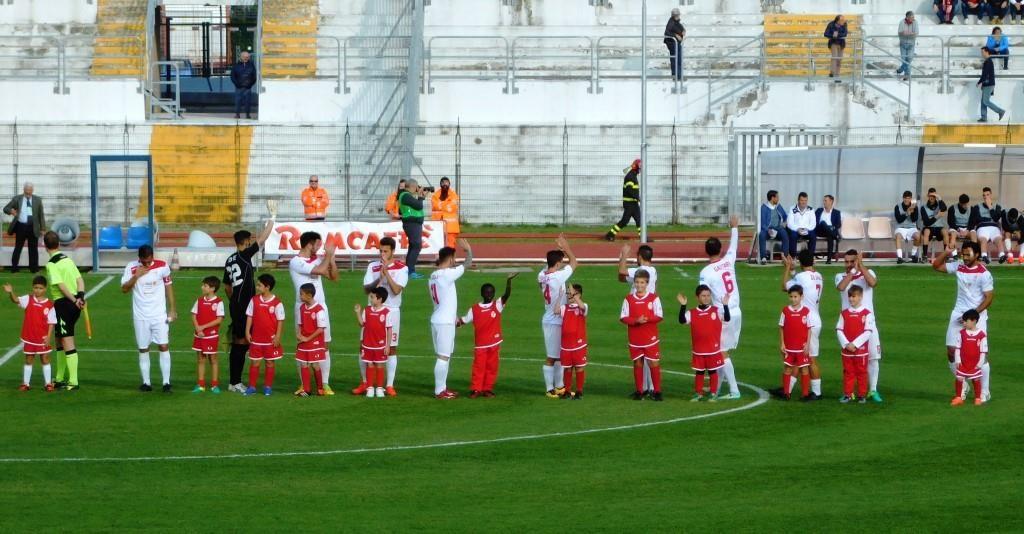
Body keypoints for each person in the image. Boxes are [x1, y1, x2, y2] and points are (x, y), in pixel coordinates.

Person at [932, 241, 994, 403]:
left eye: (968, 254)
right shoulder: (959, 266)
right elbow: (936, 266)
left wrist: (973, 315)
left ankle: (984, 391)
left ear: (977, 255)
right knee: (951, 351)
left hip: (976, 316)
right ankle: (964, 385)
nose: (965, 257)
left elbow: (989, 298)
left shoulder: (984, 273)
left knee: (980, 354)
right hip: (958, 313)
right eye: (963, 254)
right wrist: (946, 252)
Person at [222, 221, 274, 394]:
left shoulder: (229, 260)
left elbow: (227, 287)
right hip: (244, 307)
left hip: (236, 305)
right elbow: (263, 239)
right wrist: (272, 219)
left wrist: (234, 300)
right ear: (245, 243)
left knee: (241, 343)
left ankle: (234, 381)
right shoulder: (244, 255)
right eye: (250, 242)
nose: (252, 244)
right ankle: (235, 382)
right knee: (241, 344)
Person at [355, 236, 408, 396]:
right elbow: (366, 289)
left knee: (391, 349)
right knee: (363, 347)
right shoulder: (372, 266)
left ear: (393, 251)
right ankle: (365, 382)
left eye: (386, 251)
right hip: (372, 311)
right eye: (381, 251)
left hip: (391, 310)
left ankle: (389, 385)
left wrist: (387, 273)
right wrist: (380, 276)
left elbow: (397, 290)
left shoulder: (401, 268)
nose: (382, 254)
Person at [121, 245, 176, 393]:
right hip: (141, 316)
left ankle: (166, 383)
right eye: (143, 261)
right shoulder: (131, 267)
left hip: (159, 314)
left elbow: (169, 286)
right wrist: (136, 276)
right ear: (139, 258)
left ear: (152, 256)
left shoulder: (162, 266)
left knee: (163, 346)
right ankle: (146, 382)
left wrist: (172, 309)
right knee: (143, 348)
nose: (146, 264)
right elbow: (124, 289)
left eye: (148, 261)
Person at [289, 231, 338, 394]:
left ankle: (324, 383)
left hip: (320, 306)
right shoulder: (296, 262)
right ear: (309, 244)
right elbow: (319, 271)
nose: (320, 247)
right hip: (302, 308)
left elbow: (334, 277)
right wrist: (328, 255)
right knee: (303, 343)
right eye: (317, 244)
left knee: (325, 344)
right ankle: (304, 384)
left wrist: (331, 258)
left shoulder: (318, 259)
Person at [699, 215, 742, 399]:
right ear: (720, 249)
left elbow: (704, 295)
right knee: (722, 349)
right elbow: (734, 246)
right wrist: (734, 228)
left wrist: (701, 314)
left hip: (722, 313)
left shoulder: (706, 272)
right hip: (737, 311)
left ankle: (734, 390)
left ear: (706, 251)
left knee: (720, 351)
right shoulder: (728, 260)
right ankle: (718, 386)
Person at [835, 249, 883, 402]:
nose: (848, 265)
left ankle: (873, 390)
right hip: (848, 326)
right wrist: (854, 270)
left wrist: (861, 267)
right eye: (846, 262)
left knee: (873, 358)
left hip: (868, 324)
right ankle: (851, 392)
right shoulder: (840, 276)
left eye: (851, 261)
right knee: (850, 362)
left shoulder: (868, 273)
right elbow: (841, 287)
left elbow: (873, 283)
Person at [458, 273, 515, 398]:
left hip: (494, 344)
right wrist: (451, 323)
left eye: (491, 292)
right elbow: (463, 321)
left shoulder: (497, 305)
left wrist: (509, 281)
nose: (489, 294)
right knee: (479, 367)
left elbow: (507, 295)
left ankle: (487, 389)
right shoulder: (474, 309)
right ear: (482, 293)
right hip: (480, 345)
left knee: (491, 367)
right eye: (487, 292)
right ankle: (475, 389)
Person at [428, 239, 472, 399]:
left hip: (439, 319)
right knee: (443, 357)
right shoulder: (447, 274)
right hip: (444, 322)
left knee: (444, 356)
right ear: (451, 258)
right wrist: (468, 250)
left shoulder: (433, 276)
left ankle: (443, 388)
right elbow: (468, 264)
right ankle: (439, 391)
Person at [779, 249, 824, 400]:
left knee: (810, 359)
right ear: (813, 261)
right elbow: (802, 283)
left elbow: (785, 287)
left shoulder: (801, 277)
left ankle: (817, 392)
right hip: (815, 318)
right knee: (800, 357)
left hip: (807, 322)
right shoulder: (818, 276)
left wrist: (787, 268)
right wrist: (793, 270)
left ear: (800, 262)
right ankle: (787, 389)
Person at [43, 231, 85, 391]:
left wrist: (74, 300)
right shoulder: (67, 260)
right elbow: (79, 279)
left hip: (64, 304)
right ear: (59, 244)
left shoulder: (52, 264)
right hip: (73, 303)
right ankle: (60, 378)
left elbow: (60, 285)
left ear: (44, 246)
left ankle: (73, 381)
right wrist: (80, 296)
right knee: (59, 339)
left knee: (67, 340)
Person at [538, 235, 577, 398]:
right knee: (552, 357)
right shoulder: (557, 277)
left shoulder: (541, 275)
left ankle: (560, 386)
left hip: (553, 318)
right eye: (561, 263)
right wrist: (567, 248)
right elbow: (574, 263)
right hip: (553, 321)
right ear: (559, 263)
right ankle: (549, 388)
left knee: (560, 355)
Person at [677, 285, 729, 402]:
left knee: (712, 371)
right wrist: (683, 305)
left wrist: (725, 305)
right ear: (697, 297)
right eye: (703, 296)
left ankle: (713, 393)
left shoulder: (716, 310)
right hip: (698, 349)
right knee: (699, 372)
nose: (706, 298)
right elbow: (681, 320)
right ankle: (698, 393)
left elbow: (727, 318)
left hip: (713, 349)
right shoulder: (692, 312)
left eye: (708, 296)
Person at [4, 276, 56, 391]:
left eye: (40, 288)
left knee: (45, 359)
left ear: (45, 289)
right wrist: (11, 292)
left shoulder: (50, 305)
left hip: (42, 337)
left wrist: (48, 336)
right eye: (36, 288)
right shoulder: (28, 299)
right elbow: (16, 300)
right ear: (33, 288)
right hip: (29, 337)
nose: (38, 290)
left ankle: (48, 383)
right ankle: (25, 384)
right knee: (29, 359)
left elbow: (52, 322)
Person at [617, 243, 656, 393]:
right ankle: (647, 387)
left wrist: (624, 255)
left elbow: (621, 271)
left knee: (643, 353)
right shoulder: (651, 271)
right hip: (647, 311)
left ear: (639, 256)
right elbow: (621, 278)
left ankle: (649, 387)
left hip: (639, 311)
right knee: (646, 353)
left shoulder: (641, 270)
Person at [620, 270, 664, 401]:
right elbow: (623, 317)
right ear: (634, 283)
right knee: (638, 363)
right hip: (635, 338)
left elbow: (660, 316)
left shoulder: (653, 298)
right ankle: (639, 391)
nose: (639, 285)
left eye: (642, 282)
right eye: (637, 282)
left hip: (650, 338)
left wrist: (647, 319)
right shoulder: (628, 299)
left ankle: (657, 391)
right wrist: (635, 321)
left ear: (647, 283)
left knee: (653, 363)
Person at [245, 273, 285, 396]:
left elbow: (280, 320)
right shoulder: (254, 300)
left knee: (269, 362)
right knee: (255, 362)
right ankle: (252, 387)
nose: (257, 287)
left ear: (267, 287)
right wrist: (247, 331)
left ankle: (268, 387)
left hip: (270, 339)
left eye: (259, 285)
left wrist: (278, 336)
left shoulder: (277, 302)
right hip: (256, 338)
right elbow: (250, 316)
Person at [777, 285, 817, 401]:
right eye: (791, 296)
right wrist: (782, 344)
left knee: (804, 369)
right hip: (789, 347)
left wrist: (808, 344)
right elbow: (781, 328)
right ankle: (786, 393)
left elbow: (809, 328)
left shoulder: (806, 311)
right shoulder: (785, 311)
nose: (793, 299)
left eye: (795, 297)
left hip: (801, 347)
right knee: (787, 369)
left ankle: (805, 394)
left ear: (801, 297)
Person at [836, 285, 875, 404]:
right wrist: (846, 344)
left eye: (854, 296)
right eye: (850, 296)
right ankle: (848, 394)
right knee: (848, 372)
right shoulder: (844, 313)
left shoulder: (867, 313)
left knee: (862, 372)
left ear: (860, 297)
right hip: (847, 350)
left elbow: (868, 331)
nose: (851, 299)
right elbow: (839, 329)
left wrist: (855, 344)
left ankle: (862, 395)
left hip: (861, 350)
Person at [354, 287, 393, 399]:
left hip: (380, 345)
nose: (370, 299)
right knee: (369, 365)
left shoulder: (386, 312)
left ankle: (379, 388)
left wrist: (388, 345)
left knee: (380, 365)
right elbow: (362, 324)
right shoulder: (367, 310)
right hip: (367, 344)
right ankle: (370, 388)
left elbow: (389, 329)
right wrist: (358, 313)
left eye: (372, 297)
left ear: (379, 299)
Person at [191, 276, 224, 394]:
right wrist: (197, 329)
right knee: (200, 359)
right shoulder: (199, 300)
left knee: (213, 359)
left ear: (212, 288)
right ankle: (200, 384)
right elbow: (194, 315)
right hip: (199, 335)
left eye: (205, 286)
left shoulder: (218, 302)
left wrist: (203, 327)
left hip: (211, 336)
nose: (202, 287)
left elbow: (219, 319)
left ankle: (214, 385)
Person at [3, 183, 45, 273]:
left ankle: (34, 268)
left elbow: (41, 215)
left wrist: (43, 228)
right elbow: (5, 208)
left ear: (32, 190)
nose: (28, 193)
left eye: (30, 191)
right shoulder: (17, 198)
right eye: (27, 191)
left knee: (33, 249)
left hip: (33, 227)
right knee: (18, 247)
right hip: (21, 226)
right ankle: (14, 268)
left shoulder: (38, 200)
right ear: (24, 190)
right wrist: (11, 211)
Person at [296, 284, 328, 397]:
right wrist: (299, 334)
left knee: (315, 365)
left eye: (301, 294)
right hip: (304, 341)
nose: (300, 296)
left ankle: (320, 388)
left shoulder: (319, 310)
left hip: (315, 342)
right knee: (303, 364)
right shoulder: (302, 307)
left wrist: (307, 338)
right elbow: (300, 324)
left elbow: (321, 329)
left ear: (309, 295)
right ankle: (307, 390)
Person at [951, 309, 986, 406]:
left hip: (975, 363)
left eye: (966, 321)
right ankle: (958, 397)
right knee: (959, 378)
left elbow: (983, 351)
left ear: (974, 321)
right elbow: (958, 348)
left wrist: (980, 363)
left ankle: (978, 398)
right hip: (963, 362)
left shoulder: (981, 335)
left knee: (976, 379)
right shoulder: (961, 333)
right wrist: (958, 360)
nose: (964, 323)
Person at [558, 283, 587, 400]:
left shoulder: (583, 306)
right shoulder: (564, 307)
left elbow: (582, 306)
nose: (569, 296)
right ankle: (568, 390)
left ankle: (579, 390)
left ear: (578, 295)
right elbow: (556, 310)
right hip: (566, 345)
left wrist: (575, 296)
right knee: (567, 368)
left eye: (572, 294)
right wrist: (560, 296)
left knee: (579, 367)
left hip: (579, 344)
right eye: (568, 294)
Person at [398, 179, 429, 278]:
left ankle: (409, 270)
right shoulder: (405, 195)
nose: (418, 189)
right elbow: (419, 206)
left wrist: (422, 197)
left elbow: (416, 205)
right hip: (412, 224)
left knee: (413, 246)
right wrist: (420, 197)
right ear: (413, 186)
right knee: (416, 246)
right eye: (417, 187)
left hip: (414, 224)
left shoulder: (407, 196)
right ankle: (410, 271)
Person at [605, 159, 642, 241]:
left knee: (639, 220)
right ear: (636, 167)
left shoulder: (633, 175)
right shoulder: (630, 176)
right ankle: (610, 234)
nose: (640, 169)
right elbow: (629, 189)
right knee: (624, 221)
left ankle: (643, 237)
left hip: (633, 203)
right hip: (629, 204)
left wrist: (637, 198)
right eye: (639, 167)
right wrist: (637, 197)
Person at [970, 186, 1006, 264]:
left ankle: (1002, 255)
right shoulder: (977, 207)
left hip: (994, 227)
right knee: (983, 240)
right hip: (982, 227)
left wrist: (990, 207)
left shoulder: (997, 206)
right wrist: (989, 219)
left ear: (991, 195)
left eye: (987, 194)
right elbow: (977, 219)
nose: (986, 197)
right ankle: (984, 256)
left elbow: (996, 218)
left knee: (998, 239)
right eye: (984, 195)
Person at [758, 189, 789, 264]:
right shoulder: (764, 208)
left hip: (778, 228)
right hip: (768, 230)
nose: (778, 199)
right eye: (777, 197)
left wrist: (785, 223)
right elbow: (763, 223)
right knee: (762, 235)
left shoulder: (778, 206)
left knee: (784, 234)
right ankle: (763, 258)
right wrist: (768, 230)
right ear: (772, 198)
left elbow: (785, 216)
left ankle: (784, 257)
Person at [431, 177, 460, 249]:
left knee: (450, 246)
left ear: (449, 184)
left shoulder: (454, 195)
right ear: (440, 184)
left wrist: (441, 204)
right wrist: (446, 204)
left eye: (446, 182)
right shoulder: (435, 195)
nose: (445, 184)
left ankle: (450, 260)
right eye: (443, 182)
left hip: (451, 226)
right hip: (438, 226)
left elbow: (452, 207)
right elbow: (435, 206)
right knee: (439, 246)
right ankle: (441, 260)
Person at [978, 47, 1005, 122]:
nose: (982, 54)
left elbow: (985, 74)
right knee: (983, 101)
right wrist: (982, 83)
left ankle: (1000, 111)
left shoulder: (988, 62)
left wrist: (979, 82)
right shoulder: (987, 61)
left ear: (987, 52)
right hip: (987, 84)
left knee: (985, 101)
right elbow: (985, 74)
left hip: (989, 84)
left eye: (983, 52)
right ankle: (984, 117)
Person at [893, 190, 922, 264]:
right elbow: (899, 220)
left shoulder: (914, 207)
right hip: (900, 227)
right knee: (898, 236)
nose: (907, 200)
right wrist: (907, 213)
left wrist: (912, 211)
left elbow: (914, 219)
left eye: (908, 198)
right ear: (903, 198)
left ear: (911, 199)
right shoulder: (897, 207)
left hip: (911, 227)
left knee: (918, 236)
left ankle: (913, 255)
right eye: (905, 198)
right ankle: (899, 257)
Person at [920, 188, 949, 260]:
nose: (932, 197)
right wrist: (937, 216)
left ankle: (946, 254)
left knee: (945, 232)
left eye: (934, 195)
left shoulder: (940, 205)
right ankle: (925, 255)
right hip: (928, 227)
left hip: (939, 227)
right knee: (926, 232)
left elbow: (944, 209)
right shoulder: (923, 207)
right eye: (930, 195)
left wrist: (939, 198)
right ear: (927, 195)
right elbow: (927, 222)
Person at [787, 192, 816, 257]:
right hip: (796, 230)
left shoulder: (811, 209)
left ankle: (810, 257)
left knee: (813, 236)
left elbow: (813, 223)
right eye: (802, 200)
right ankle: (793, 257)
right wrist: (797, 229)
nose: (804, 202)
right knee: (792, 235)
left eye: (805, 200)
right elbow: (789, 223)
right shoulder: (792, 209)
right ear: (798, 200)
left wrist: (807, 229)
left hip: (807, 230)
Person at [814, 194, 841, 263]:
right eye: (824, 200)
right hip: (820, 230)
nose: (824, 202)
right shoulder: (819, 210)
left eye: (826, 200)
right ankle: (836, 236)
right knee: (823, 222)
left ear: (831, 201)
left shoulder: (836, 212)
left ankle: (829, 259)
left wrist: (831, 227)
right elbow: (814, 221)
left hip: (830, 230)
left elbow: (838, 224)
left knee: (830, 235)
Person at [230, 51, 256, 119]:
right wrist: (236, 84)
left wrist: (250, 84)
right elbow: (232, 76)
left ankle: (247, 115)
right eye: (245, 57)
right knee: (238, 101)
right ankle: (237, 114)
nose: (246, 58)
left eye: (247, 57)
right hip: (238, 87)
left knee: (248, 102)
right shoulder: (236, 65)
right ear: (241, 57)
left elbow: (254, 76)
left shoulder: (251, 65)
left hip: (248, 88)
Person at [824, 15, 848, 81]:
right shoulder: (831, 24)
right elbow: (825, 34)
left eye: (843, 20)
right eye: (842, 20)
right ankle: (832, 73)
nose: (843, 21)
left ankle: (837, 74)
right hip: (833, 43)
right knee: (835, 57)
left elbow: (845, 33)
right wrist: (832, 35)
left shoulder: (845, 24)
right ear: (837, 20)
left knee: (839, 59)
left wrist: (837, 34)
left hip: (841, 44)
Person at [664, 8, 685, 81]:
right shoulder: (671, 22)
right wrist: (676, 35)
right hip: (672, 43)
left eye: (678, 15)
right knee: (676, 59)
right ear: (673, 15)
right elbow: (667, 32)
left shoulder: (676, 21)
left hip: (676, 43)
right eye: (676, 15)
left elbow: (679, 27)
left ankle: (678, 76)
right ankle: (677, 76)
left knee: (678, 59)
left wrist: (683, 30)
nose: (678, 16)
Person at [897, 11, 918, 79]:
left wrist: (906, 33)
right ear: (907, 17)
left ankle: (903, 71)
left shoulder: (915, 22)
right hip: (903, 44)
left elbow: (916, 33)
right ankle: (905, 73)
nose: (913, 18)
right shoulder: (902, 22)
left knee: (909, 59)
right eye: (912, 17)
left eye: (913, 17)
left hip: (911, 44)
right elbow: (900, 33)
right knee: (904, 59)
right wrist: (910, 33)